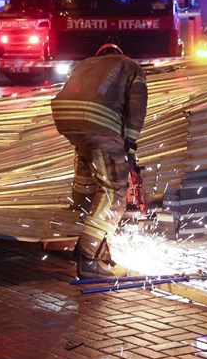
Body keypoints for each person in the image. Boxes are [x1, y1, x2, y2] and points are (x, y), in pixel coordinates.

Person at [51, 43, 148, 279]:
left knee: (89, 189)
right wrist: (130, 146)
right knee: (114, 191)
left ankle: (97, 247)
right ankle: (87, 258)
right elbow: (136, 108)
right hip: (99, 125)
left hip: (66, 120)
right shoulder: (130, 67)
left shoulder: (85, 63)